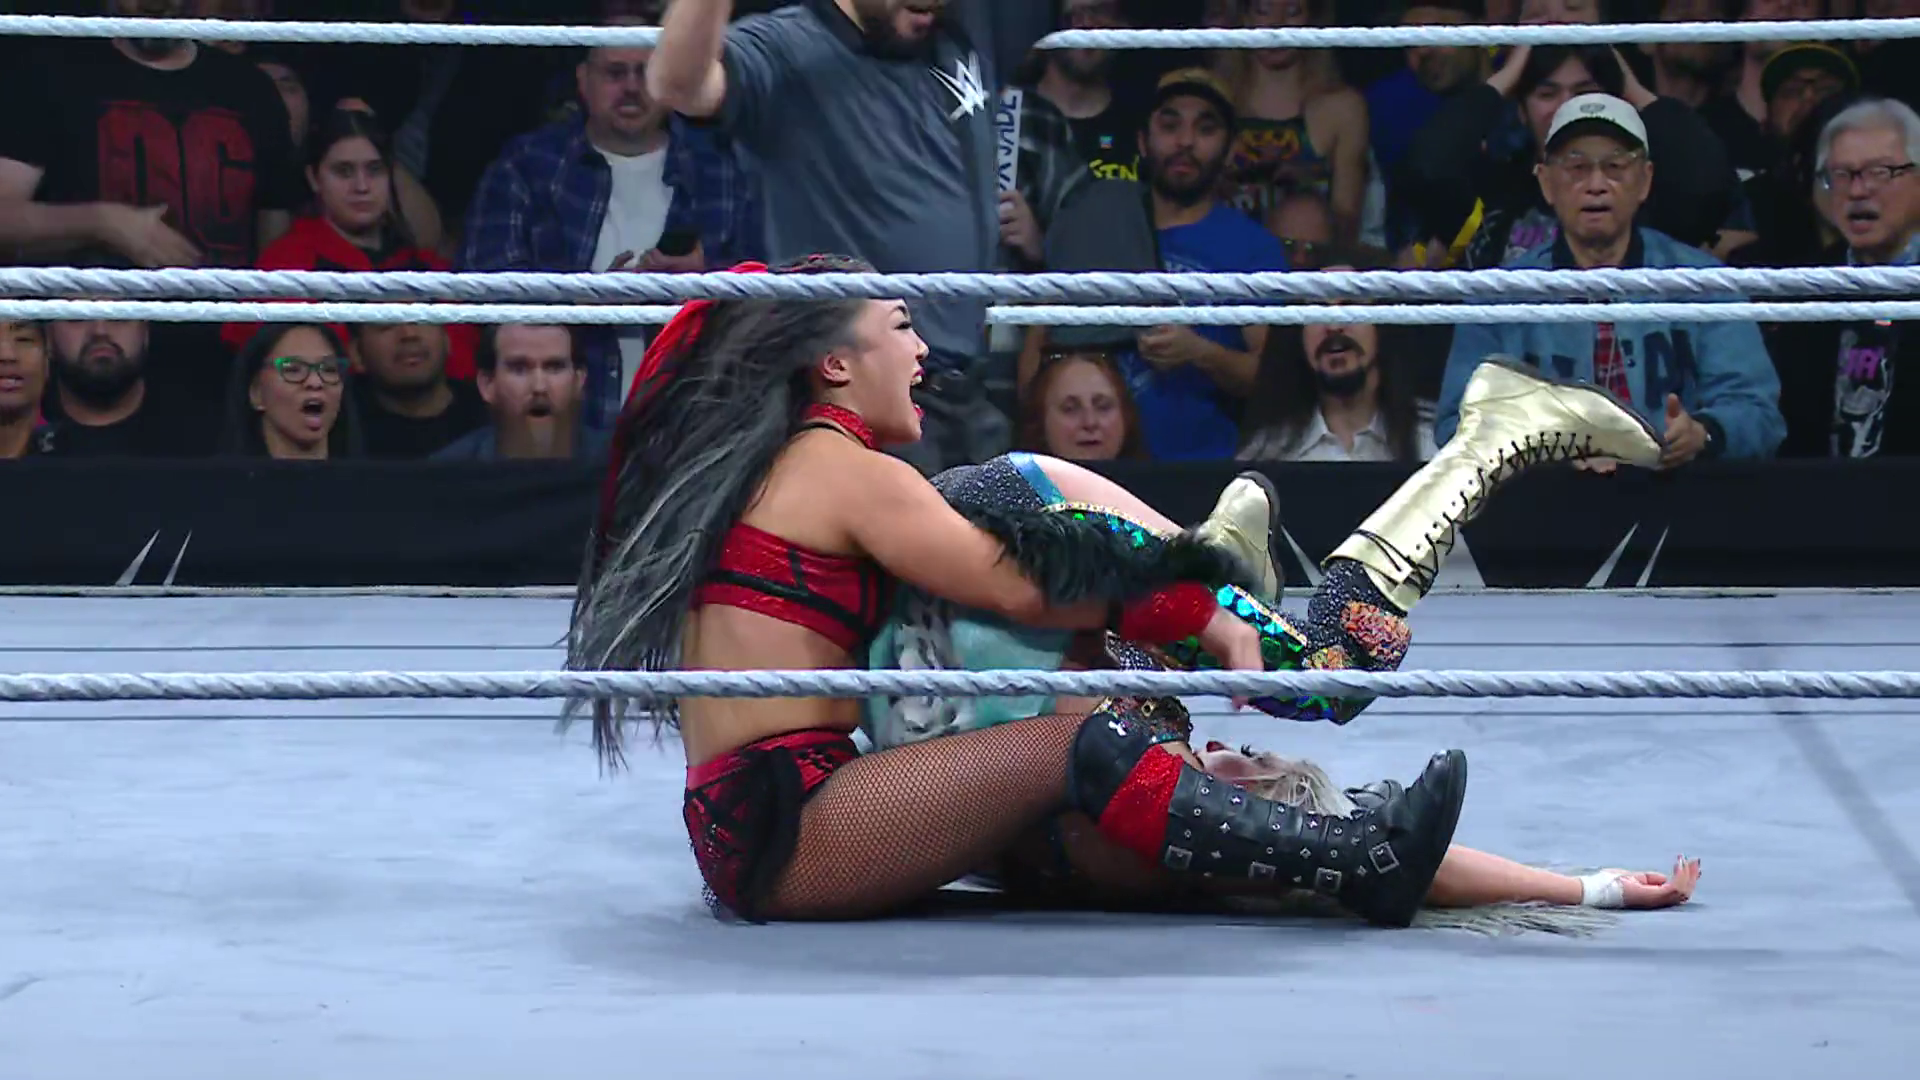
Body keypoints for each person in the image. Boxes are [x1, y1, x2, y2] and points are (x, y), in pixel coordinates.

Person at [568, 254, 1670, 931]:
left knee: (1296, 687)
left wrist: (1190, 606)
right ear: (834, 363)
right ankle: (1356, 849)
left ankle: (1439, 472)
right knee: (1244, 702)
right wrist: (1193, 606)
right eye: (900, 326)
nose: (925, 349)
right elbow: (1022, 588)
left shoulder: (821, 471)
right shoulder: (835, 464)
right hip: (790, 823)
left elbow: (1021, 590)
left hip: (823, 778)